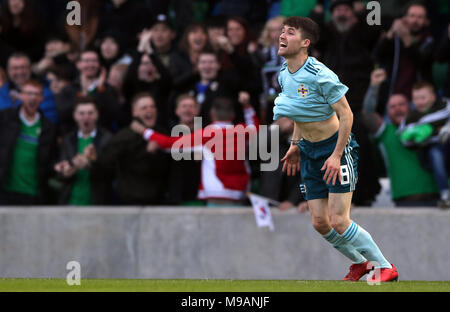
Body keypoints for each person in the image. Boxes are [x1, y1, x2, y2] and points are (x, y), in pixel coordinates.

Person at [276, 16, 398, 282]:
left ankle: (385, 266)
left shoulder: (321, 74)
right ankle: (360, 264)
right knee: (320, 222)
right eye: (281, 31)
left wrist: (336, 155)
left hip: (335, 148)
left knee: (339, 219)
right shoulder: (284, 73)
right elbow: (299, 113)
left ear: (305, 43)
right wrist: (296, 145)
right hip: (309, 150)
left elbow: (347, 115)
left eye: (290, 32)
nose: (282, 36)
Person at [130, 94, 259, 206]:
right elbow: (256, 127)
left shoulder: (205, 135)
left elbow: (169, 144)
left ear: (212, 114)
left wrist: (144, 131)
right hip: (240, 193)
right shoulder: (244, 131)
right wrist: (247, 107)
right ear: (233, 115)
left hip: (216, 193)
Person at [362, 69, 440, 207]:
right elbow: (367, 114)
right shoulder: (386, 132)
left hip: (438, 198)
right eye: (392, 106)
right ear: (387, 113)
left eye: (402, 104)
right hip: (406, 200)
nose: (398, 108)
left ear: (410, 106)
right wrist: (374, 85)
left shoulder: (427, 124)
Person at [97, 93, 171, 205]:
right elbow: (106, 164)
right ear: (134, 112)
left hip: (158, 200)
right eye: (144, 108)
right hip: (128, 201)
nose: (149, 110)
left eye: (152, 107)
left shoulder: (163, 134)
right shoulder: (123, 136)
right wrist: (148, 153)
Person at [0, 79, 57, 205]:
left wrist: (58, 167)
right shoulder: (5, 118)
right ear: (21, 96)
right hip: (5, 191)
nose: (33, 98)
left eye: (37, 94)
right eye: (29, 93)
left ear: (42, 98)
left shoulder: (49, 127)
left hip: (34, 193)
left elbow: (51, 159)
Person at [398, 82, 450, 207]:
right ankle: (445, 194)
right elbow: (403, 137)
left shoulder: (444, 105)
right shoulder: (411, 117)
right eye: (416, 98)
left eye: (423, 97)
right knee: (435, 154)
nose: (419, 101)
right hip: (431, 150)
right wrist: (416, 137)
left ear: (433, 96)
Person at [54, 97, 113, 205]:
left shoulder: (107, 139)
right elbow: (60, 171)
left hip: (98, 203)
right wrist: (68, 169)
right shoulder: (68, 140)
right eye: (81, 113)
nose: (86, 117)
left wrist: (92, 161)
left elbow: (112, 171)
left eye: (90, 113)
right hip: (71, 202)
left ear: (97, 115)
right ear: (75, 116)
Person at [260, 117, 308, 213]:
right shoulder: (273, 134)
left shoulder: (308, 139)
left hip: (297, 206)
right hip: (268, 203)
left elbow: (308, 174)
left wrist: (292, 200)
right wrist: (276, 127)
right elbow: (253, 151)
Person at [0, 53, 59, 124]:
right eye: (15, 68)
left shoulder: (44, 91)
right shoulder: (2, 92)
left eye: (23, 67)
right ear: (8, 71)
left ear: (30, 69)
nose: (20, 72)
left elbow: (51, 121)